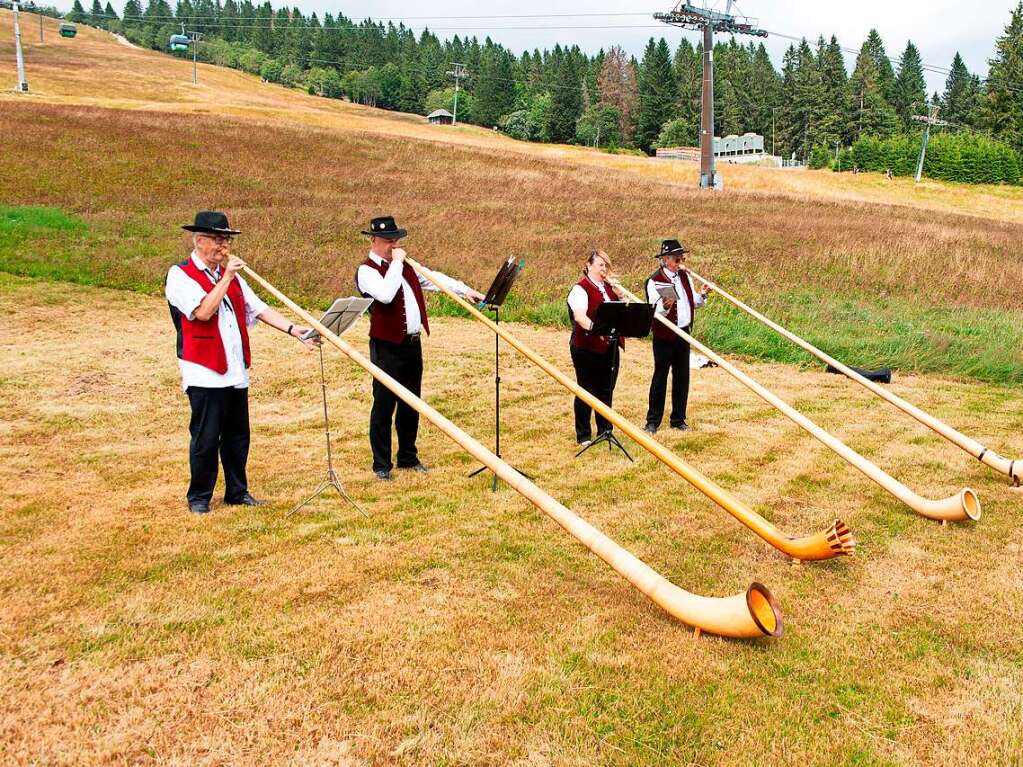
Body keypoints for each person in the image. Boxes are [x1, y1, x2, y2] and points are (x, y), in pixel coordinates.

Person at [166, 211, 318, 515]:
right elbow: (204, 311)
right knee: (206, 438)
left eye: (227, 239)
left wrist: (293, 330)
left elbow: (258, 308)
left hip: (235, 369)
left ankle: (237, 491)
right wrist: (227, 277)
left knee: (237, 436)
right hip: (205, 371)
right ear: (199, 241)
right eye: (219, 239)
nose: (224, 245)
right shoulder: (180, 274)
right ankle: (199, 497)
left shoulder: (228, 277)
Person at [355, 216, 484, 480]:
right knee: (383, 404)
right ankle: (381, 464)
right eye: (389, 240)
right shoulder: (367, 271)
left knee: (411, 402)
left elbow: (434, 278)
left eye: (396, 240)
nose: (394, 245)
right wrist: (398, 263)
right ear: (373, 241)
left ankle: (407, 457)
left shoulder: (406, 267)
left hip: (411, 344)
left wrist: (465, 290)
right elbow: (386, 294)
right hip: (386, 345)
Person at [643, 239, 711, 433]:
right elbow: (654, 310)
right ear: (665, 260)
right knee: (660, 377)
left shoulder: (685, 277)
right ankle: (653, 421)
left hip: (683, 333)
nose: (680, 260)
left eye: (681, 257)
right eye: (676, 258)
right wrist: (665, 305)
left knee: (682, 377)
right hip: (664, 336)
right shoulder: (654, 280)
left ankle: (678, 419)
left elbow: (692, 302)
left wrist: (703, 295)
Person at [566, 249, 625, 446]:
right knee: (586, 389)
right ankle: (583, 434)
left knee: (606, 389)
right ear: (589, 265)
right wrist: (597, 331)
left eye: (606, 265)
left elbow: (620, 313)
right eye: (600, 265)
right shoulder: (580, 288)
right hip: (586, 346)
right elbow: (580, 317)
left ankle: (605, 429)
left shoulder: (608, 289)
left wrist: (620, 296)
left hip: (610, 346)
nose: (604, 269)